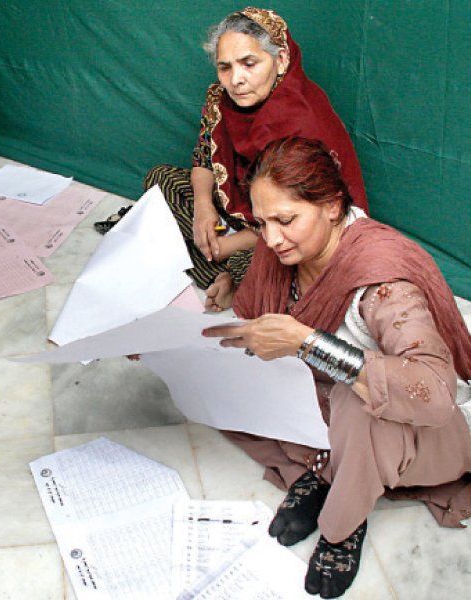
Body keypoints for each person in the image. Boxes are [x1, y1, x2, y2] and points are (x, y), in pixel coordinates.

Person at [202, 137, 471, 598]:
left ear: (331, 206)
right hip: (317, 409)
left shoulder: (383, 280)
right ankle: (326, 472)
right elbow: (252, 322)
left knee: (357, 401)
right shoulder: (280, 252)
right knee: (219, 385)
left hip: (413, 428)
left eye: (286, 221)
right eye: (262, 222)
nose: (271, 239)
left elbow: (433, 390)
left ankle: (343, 523)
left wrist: (308, 342)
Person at [97, 7, 368, 291]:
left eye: (249, 63)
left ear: (281, 59)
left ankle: (219, 272)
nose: (236, 80)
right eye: (225, 67)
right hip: (237, 208)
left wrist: (226, 246)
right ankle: (214, 265)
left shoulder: (301, 124)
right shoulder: (222, 100)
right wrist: (203, 210)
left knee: (263, 267)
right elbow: (203, 156)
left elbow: (294, 220)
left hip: (285, 229)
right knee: (160, 180)